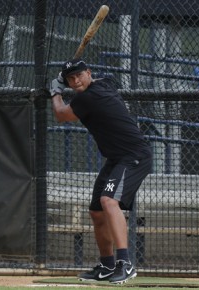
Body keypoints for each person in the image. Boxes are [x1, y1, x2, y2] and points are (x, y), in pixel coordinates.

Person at [49, 59, 152, 284]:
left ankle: (125, 263)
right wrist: (64, 81)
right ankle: (107, 265)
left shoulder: (88, 97)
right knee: (96, 211)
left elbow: (61, 114)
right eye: (70, 78)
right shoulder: (105, 83)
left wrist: (56, 91)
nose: (75, 81)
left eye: (79, 75)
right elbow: (103, 82)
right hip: (116, 158)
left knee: (108, 201)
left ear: (89, 73)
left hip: (134, 155)